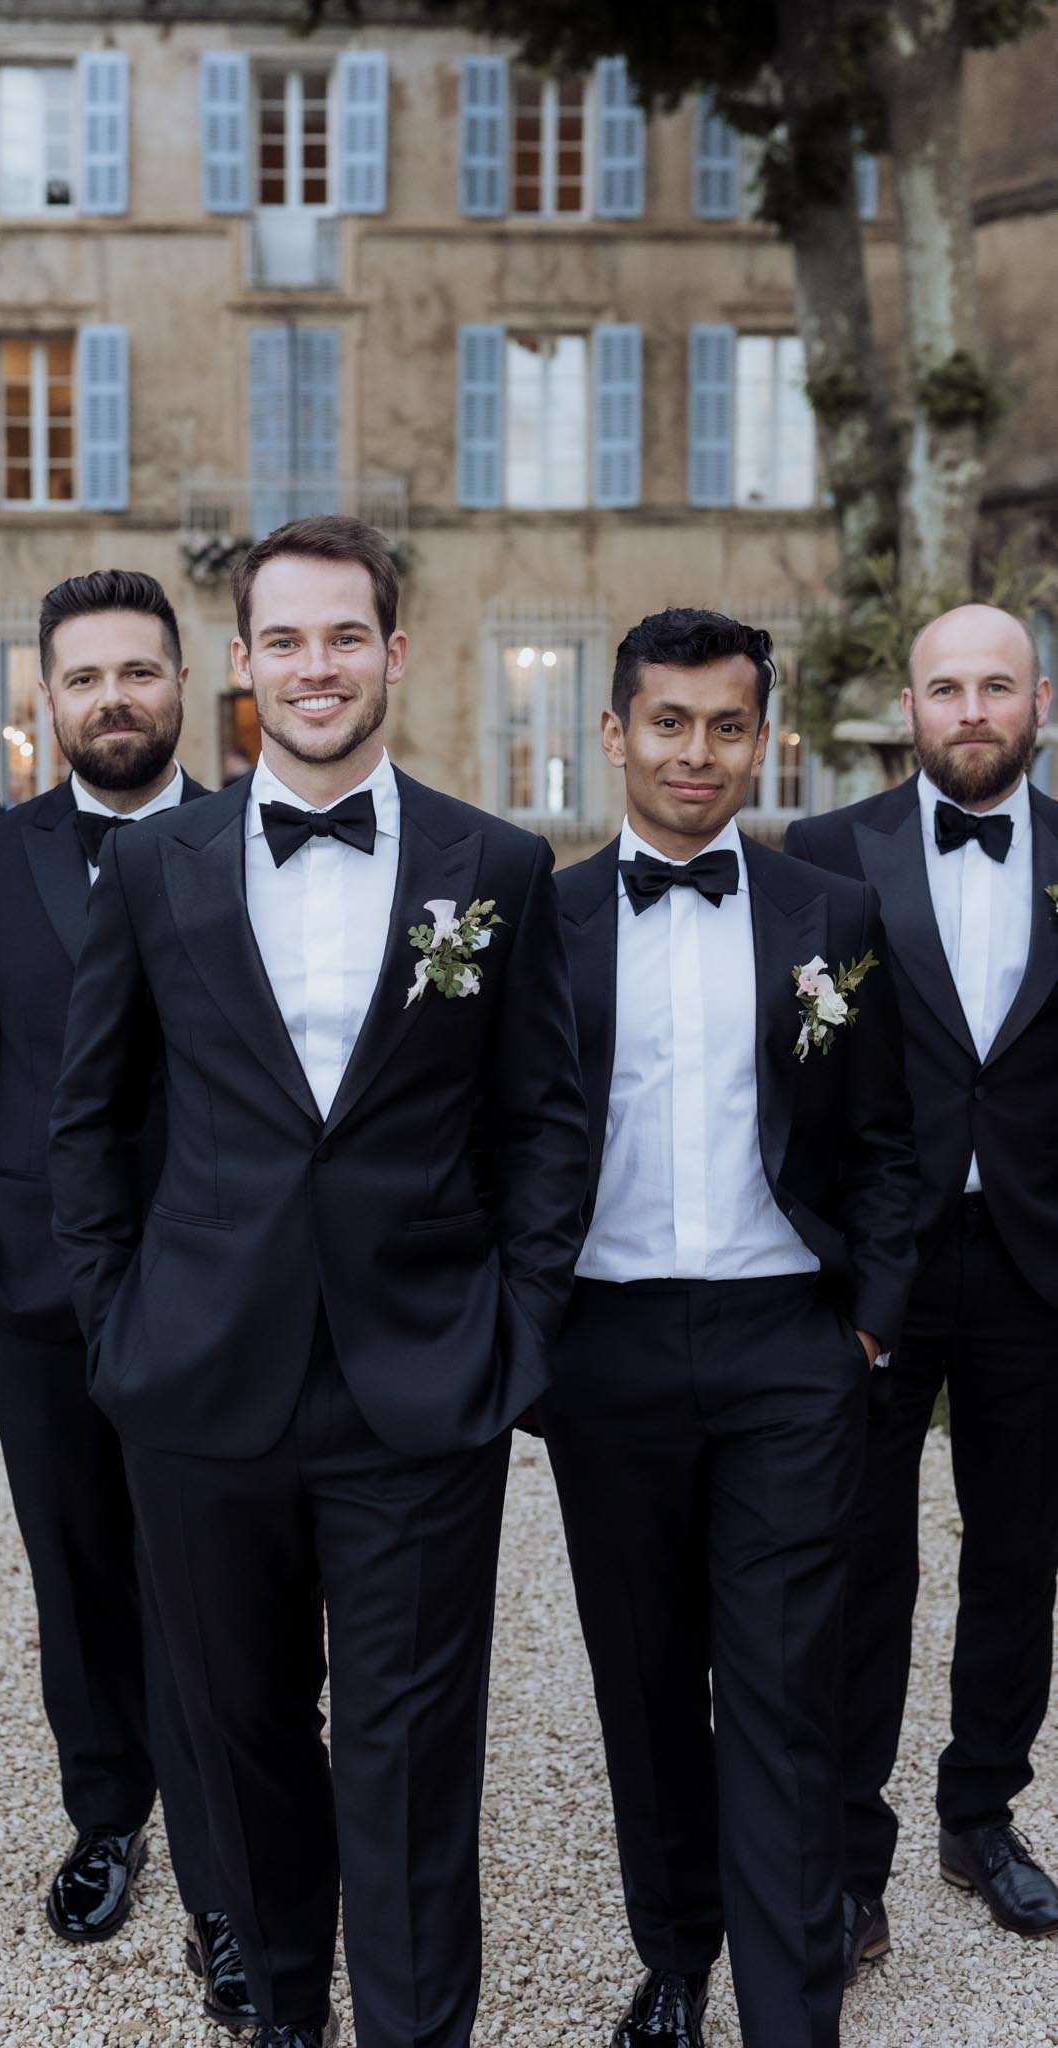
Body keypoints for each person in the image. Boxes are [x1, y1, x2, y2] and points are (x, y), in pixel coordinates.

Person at [48, 515, 590, 2048]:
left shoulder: (492, 863)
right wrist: (118, 1325)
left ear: (394, 652)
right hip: (200, 1382)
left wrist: (517, 1330)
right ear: (238, 664)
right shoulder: (156, 866)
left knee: (413, 1755)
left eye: (344, 635)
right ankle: (283, 2013)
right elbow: (87, 1117)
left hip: (422, 1381)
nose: (315, 666)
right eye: (282, 639)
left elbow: (543, 1122)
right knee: (242, 1738)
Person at [543, 608, 917, 2048]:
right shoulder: (547, 919)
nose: (695, 753)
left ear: (762, 740)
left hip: (786, 1350)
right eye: (667, 722)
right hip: (608, 1351)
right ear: (614, 731)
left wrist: (867, 1331)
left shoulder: (828, 912)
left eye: (725, 726)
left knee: (778, 1693)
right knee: (641, 1686)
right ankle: (672, 1957)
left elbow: (884, 1133)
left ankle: (789, 2016)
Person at [0, 570, 252, 2024]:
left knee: (216, 1575)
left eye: (137, 671)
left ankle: (238, 1880)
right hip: (31, 1274)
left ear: (183, 686)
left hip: (214, 1273)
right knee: (75, 1564)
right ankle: (108, 1811)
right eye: (82, 678)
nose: (111, 698)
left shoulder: (252, 838)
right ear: (44, 700)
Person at [784, 602, 1058, 1977]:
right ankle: (845, 1852)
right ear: (907, 707)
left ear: (1038, 702)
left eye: (992, 686)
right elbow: (795, 1080)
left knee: (1019, 1555)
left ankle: (981, 1815)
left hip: (1036, 1265)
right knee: (858, 1565)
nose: (967, 711)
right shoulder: (829, 854)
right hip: (880, 1263)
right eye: (943, 688)